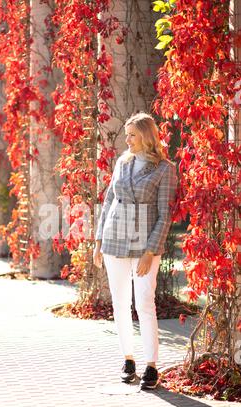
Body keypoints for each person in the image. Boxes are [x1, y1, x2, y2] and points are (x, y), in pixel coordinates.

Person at [93, 112, 178, 390]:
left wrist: (150, 251)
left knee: (144, 300)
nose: (126, 140)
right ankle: (127, 359)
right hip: (113, 240)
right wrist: (97, 242)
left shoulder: (165, 168)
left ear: (146, 136)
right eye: (126, 134)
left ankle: (151, 365)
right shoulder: (122, 161)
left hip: (144, 245)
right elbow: (108, 202)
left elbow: (165, 215)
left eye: (132, 135)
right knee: (119, 301)